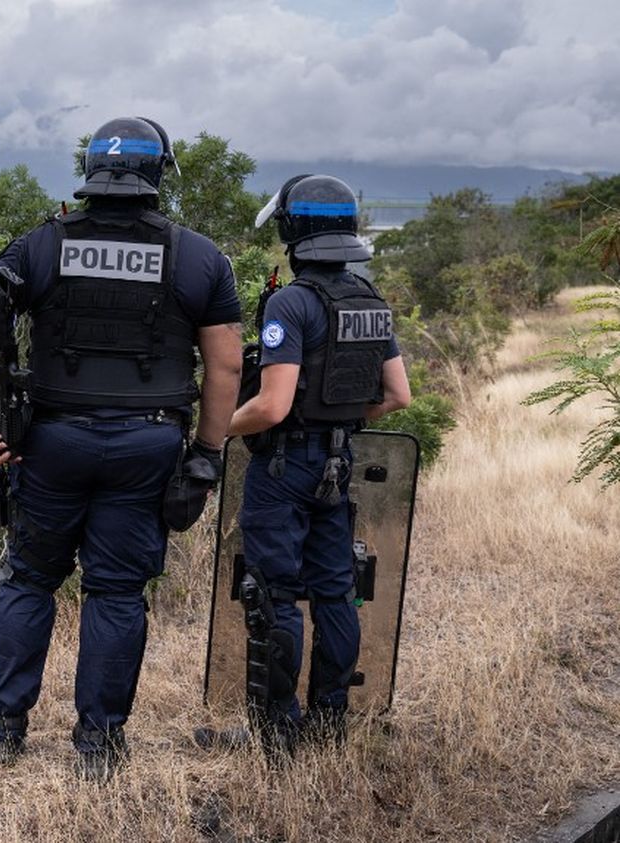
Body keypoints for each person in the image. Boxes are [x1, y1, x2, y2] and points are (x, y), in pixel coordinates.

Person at [0, 116, 243, 779]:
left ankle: (3, 729)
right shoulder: (199, 258)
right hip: (147, 445)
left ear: (92, 173)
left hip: (50, 441)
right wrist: (205, 452)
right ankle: (99, 744)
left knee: (29, 577)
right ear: (157, 173)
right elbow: (225, 367)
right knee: (116, 592)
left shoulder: (41, 245)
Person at [226, 174, 412, 755]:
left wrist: (216, 430)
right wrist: (343, 420)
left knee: (275, 595)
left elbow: (273, 404)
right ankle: (330, 720)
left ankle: (278, 729)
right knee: (336, 593)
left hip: (285, 467)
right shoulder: (369, 299)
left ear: (294, 230)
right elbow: (398, 395)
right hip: (338, 463)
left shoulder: (292, 302)